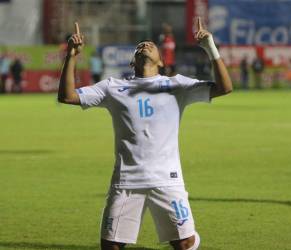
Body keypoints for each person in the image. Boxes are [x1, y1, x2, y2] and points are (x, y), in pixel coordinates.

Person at [58, 18, 232, 250]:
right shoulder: (112, 87)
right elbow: (67, 96)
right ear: (132, 62)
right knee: (110, 246)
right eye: (139, 46)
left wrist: (210, 47)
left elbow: (225, 87)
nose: (144, 45)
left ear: (161, 61)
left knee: (185, 243)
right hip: (127, 180)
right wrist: (72, 55)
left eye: (150, 44)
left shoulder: (176, 85)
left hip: (167, 179)